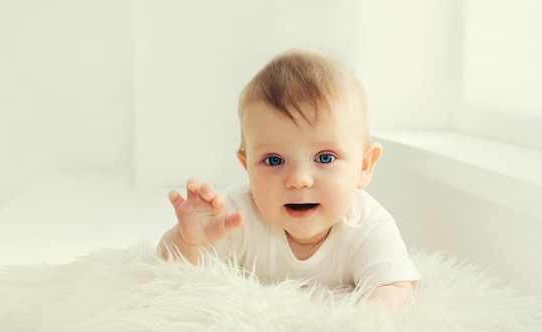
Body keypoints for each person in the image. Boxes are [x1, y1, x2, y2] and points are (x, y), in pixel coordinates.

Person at [157, 49, 421, 310]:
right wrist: (189, 242)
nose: (298, 180)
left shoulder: (368, 225)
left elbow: (394, 286)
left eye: (325, 158)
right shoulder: (237, 217)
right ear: (247, 166)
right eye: (274, 160)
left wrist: (363, 319)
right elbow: (171, 273)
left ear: (364, 166)